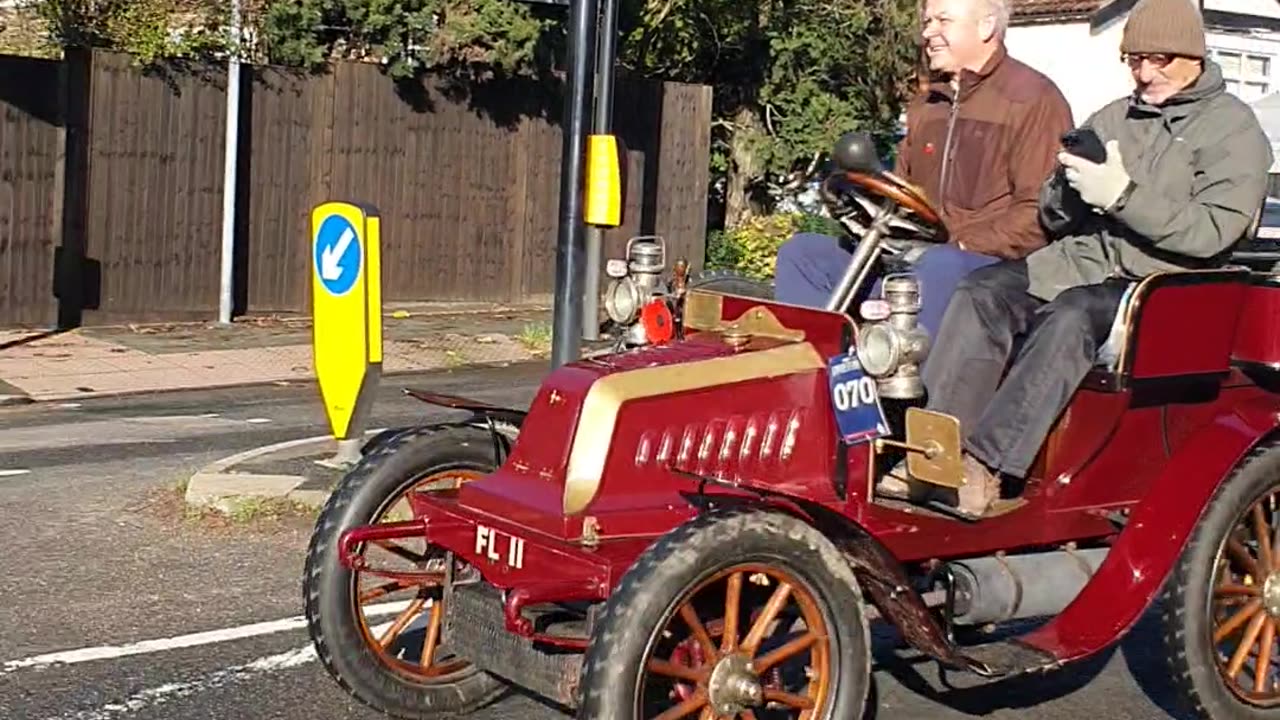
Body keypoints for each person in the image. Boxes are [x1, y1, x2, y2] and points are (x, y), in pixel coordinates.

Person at [879, 0, 1275, 519]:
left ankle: (985, 466)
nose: (1145, 73)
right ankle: (936, 455)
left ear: (1193, 57)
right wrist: (1064, 188)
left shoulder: (1233, 130)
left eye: (1159, 59)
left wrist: (1122, 196)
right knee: (981, 293)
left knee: (1071, 318)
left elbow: (1212, 231)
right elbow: (1056, 215)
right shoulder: (1115, 116)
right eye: (1134, 60)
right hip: (1082, 261)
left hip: (1165, 283)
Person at [773, 0, 1074, 340]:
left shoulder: (1034, 100)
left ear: (986, 26)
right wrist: (858, 208)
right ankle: (817, 370)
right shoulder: (927, 104)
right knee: (803, 253)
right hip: (917, 258)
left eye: (942, 21)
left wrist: (959, 245)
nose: (928, 32)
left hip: (995, 270)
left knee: (938, 267)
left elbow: (1038, 215)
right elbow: (900, 190)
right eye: (928, 21)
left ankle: (908, 383)